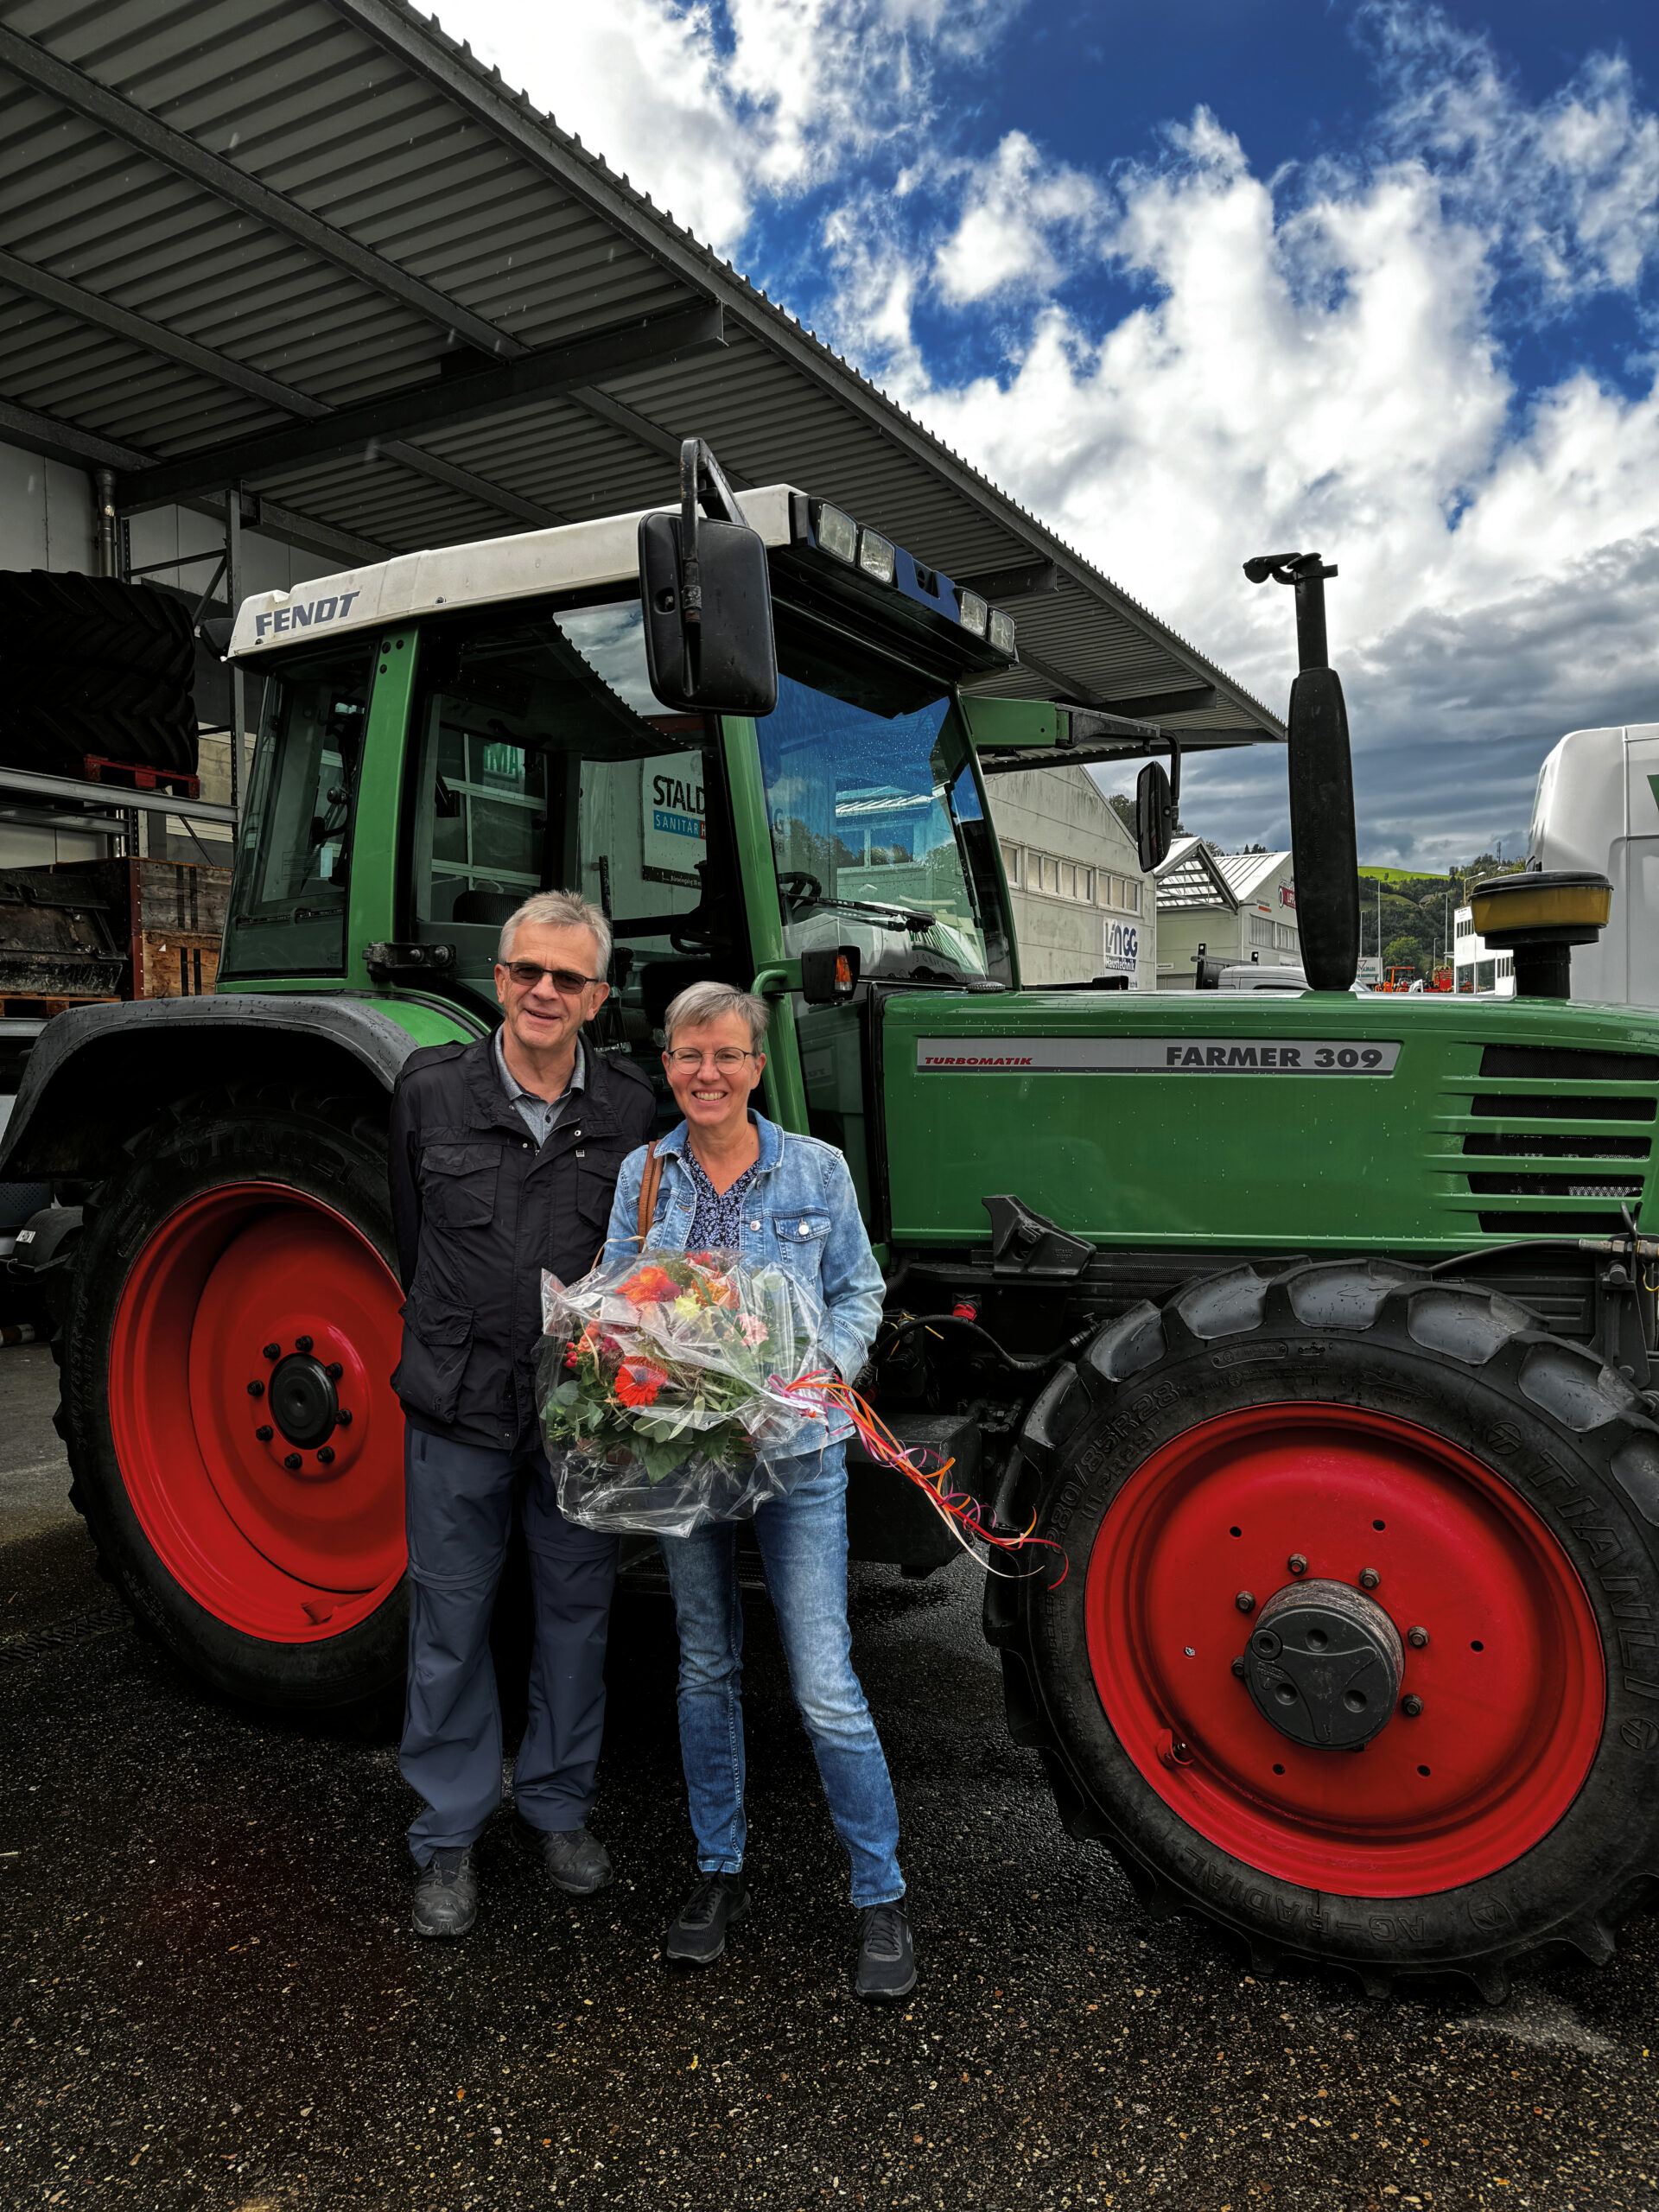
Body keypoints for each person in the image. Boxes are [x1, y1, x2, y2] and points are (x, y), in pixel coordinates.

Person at [603, 981, 914, 2001]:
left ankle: (880, 1894)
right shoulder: (646, 1177)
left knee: (823, 1677)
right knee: (704, 1662)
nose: (707, 1073)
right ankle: (716, 1870)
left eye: (727, 1055)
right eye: (689, 1055)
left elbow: (859, 1287)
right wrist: (634, 1357)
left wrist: (818, 1363)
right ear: (667, 1063)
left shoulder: (815, 1170)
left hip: (802, 1455)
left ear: (757, 1064)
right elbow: (613, 1295)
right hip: (689, 1457)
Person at [389, 888, 655, 1938]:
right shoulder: (429, 1092)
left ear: (596, 996)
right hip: (457, 1399)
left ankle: (556, 1808)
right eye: (525, 971)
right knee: (449, 1624)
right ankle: (446, 1837)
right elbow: (413, 1236)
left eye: (568, 978)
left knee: (577, 1619)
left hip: (575, 1413)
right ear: (499, 980)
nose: (544, 991)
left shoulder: (631, 1110)